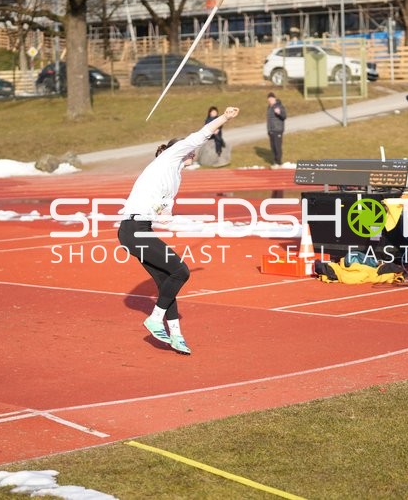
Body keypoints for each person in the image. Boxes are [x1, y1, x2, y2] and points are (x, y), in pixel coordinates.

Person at [118, 106, 241, 354]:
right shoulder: (168, 158)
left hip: (140, 229)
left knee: (167, 281)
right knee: (180, 271)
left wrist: (182, 219)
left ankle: (175, 334)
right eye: (189, 149)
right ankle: (155, 319)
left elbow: (164, 215)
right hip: (133, 229)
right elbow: (200, 135)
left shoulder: (174, 175)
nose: (193, 152)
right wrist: (224, 118)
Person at [266, 92, 287, 168]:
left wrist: (279, 113)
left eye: (271, 99)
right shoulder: (269, 107)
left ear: (274, 98)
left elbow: (284, 116)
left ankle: (279, 162)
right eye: (269, 99)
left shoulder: (279, 106)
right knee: (273, 147)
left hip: (278, 129)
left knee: (277, 146)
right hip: (271, 130)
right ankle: (275, 162)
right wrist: (269, 130)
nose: (270, 101)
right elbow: (269, 120)